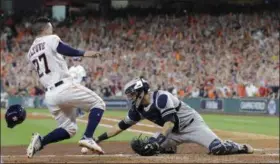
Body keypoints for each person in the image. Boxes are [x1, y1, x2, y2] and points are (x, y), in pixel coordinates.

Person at [95, 78, 254, 156]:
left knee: (217, 149)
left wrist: (158, 141)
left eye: (132, 94)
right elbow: (120, 126)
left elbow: (169, 122)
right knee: (146, 148)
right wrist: (96, 139)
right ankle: (170, 147)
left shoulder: (162, 98)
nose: (130, 98)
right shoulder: (138, 109)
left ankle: (238, 147)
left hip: (192, 126)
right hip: (173, 133)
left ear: (141, 91)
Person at [26, 17, 106, 158]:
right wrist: (85, 53)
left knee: (69, 129)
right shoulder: (50, 38)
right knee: (98, 104)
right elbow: (64, 49)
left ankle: (41, 141)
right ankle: (88, 137)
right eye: (49, 27)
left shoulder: (30, 52)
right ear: (43, 29)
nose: (52, 29)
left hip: (50, 95)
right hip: (64, 86)